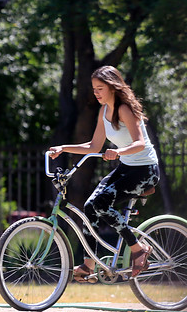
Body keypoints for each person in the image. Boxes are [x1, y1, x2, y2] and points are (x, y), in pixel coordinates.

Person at [48, 65, 160, 283]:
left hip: (145, 170)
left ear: (112, 87)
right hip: (126, 168)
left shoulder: (125, 109)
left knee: (101, 204)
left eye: (100, 88)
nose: (96, 93)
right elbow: (93, 146)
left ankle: (138, 248)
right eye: (94, 88)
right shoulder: (104, 112)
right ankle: (89, 264)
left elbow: (139, 143)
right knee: (91, 206)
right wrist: (63, 148)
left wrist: (117, 151)